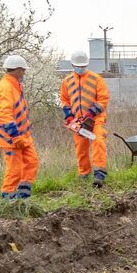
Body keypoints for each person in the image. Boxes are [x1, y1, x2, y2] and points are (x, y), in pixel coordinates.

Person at [57, 50, 110, 185]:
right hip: (78, 121)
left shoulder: (96, 79)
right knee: (81, 146)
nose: (81, 69)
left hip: (96, 119)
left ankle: (99, 174)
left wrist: (91, 112)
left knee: (98, 141)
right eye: (78, 66)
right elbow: (64, 100)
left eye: (83, 66)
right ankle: (84, 174)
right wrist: (68, 116)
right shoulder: (67, 81)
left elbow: (103, 99)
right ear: (73, 65)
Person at [0, 53, 37, 201]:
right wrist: (15, 135)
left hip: (23, 136)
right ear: (17, 70)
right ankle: (8, 198)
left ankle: (23, 197)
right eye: (23, 70)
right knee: (14, 169)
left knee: (31, 162)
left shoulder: (14, 86)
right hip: (11, 138)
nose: (24, 73)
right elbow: (5, 114)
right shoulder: (5, 88)